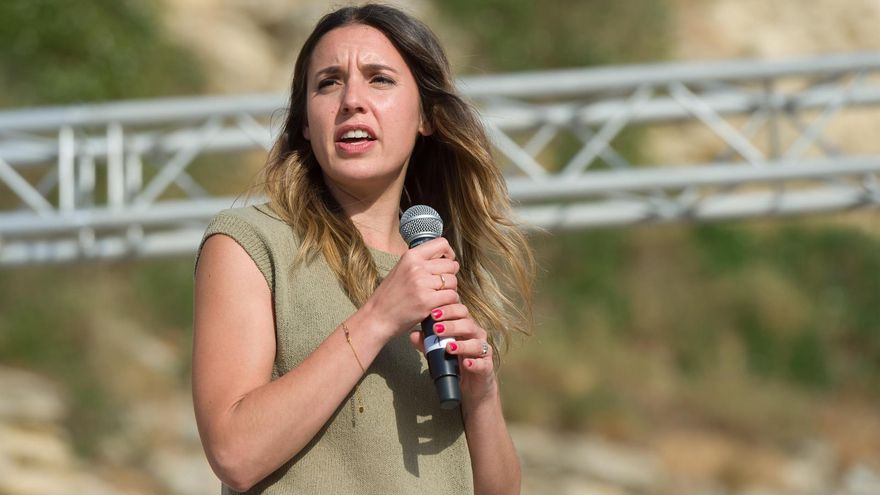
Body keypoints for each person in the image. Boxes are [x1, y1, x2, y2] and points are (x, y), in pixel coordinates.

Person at [192, 4, 534, 494]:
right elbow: (234, 453)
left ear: (427, 117)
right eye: (328, 82)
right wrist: (378, 318)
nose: (352, 99)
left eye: (379, 79)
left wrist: (482, 394)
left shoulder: (440, 267)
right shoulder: (250, 243)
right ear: (306, 123)